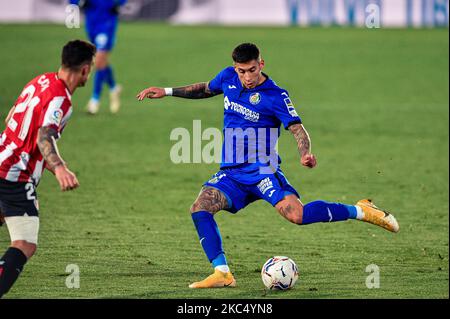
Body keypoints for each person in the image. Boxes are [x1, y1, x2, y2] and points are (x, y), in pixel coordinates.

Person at [136, 43, 399, 289]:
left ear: (261, 63)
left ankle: (361, 210)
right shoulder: (228, 77)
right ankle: (222, 273)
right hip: (232, 173)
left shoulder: (275, 95)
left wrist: (305, 154)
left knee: (297, 215)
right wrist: (167, 91)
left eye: (252, 70)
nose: (247, 77)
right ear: (234, 68)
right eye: (242, 71)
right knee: (200, 207)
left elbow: (297, 129)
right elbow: (205, 88)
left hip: (263, 170)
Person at [0, 39, 96, 297]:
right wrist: (61, 168)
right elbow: (44, 136)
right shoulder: (61, 100)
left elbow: (11, 118)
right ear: (85, 69)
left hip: (1, 156)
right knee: (25, 244)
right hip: (13, 176)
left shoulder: (40, 80)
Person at [69, 0, 126, 114]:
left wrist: (119, 3)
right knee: (102, 61)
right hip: (91, 21)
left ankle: (94, 100)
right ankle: (114, 88)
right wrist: (78, 2)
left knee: (99, 60)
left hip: (107, 22)